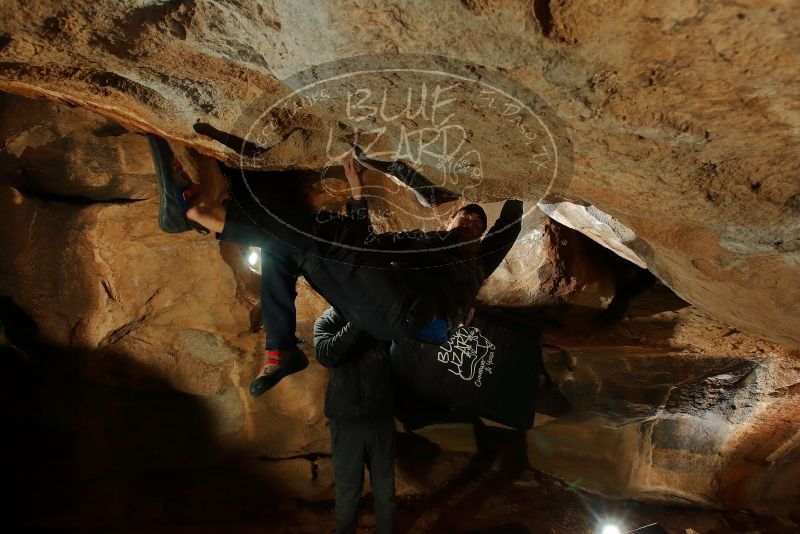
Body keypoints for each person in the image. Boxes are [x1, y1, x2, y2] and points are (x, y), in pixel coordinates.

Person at [147, 135, 523, 396]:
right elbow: (367, 242)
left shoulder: (474, 259)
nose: (471, 224)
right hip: (379, 306)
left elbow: (507, 230)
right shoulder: (422, 242)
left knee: (314, 242)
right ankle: (281, 352)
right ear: (447, 221)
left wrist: (522, 180)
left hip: (404, 311)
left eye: (477, 224)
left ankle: (196, 210)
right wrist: (358, 192)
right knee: (289, 252)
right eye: (466, 218)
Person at [314, 306, 395, 534]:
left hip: (380, 417)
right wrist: (358, 319)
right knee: (348, 493)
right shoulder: (326, 321)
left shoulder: (380, 317)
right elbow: (327, 354)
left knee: (386, 490)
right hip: (347, 421)